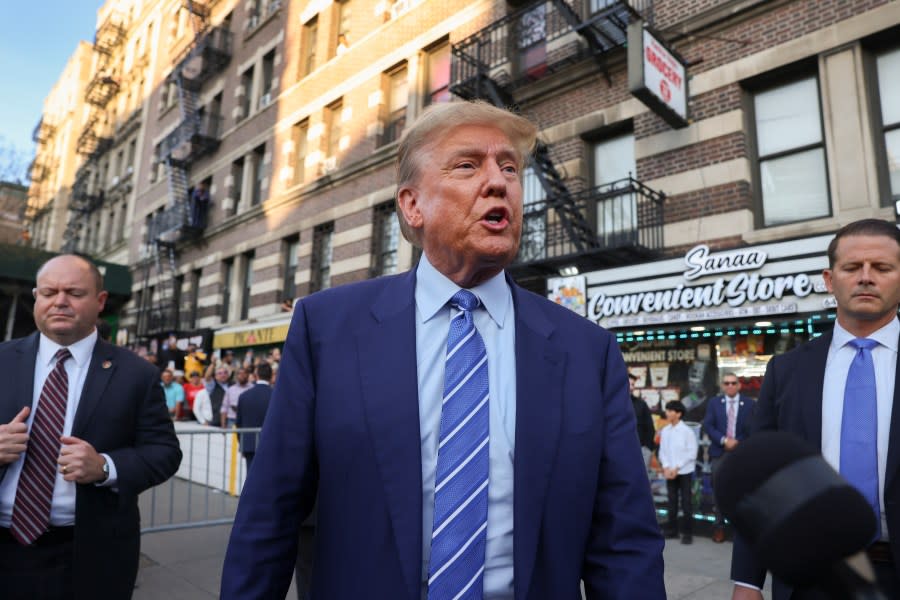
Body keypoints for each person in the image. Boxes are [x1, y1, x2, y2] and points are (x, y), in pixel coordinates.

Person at [220, 100, 664, 599]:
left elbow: (624, 543)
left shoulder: (588, 351)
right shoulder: (326, 329)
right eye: (468, 165)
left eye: (510, 168)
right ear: (412, 206)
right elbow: (269, 516)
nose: (498, 182)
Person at [731, 219, 900, 600]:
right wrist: (747, 579)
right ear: (829, 279)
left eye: (883, 268)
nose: (866, 278)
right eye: (852, 267)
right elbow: (762, 478)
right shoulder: (787, 369)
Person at [0, 254, 182, 599]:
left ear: (100, 302)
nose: (60, 302)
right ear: (36, 297)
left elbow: (165, 453)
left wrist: (105, 467)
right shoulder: (2, 360)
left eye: (74, 292)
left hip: (90, 556)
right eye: (49, 292)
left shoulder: (136, 375)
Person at [703, 372, 755, 543]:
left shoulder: (749, 404)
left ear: (739, 385)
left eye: (734, 383)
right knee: (719, 491)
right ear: (723, 385)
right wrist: (724, 440)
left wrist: (737, 442)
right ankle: (719, 527)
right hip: (720, 452)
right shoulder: (714, 403)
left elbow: (752, 427)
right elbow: (708, 425)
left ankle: (741, 529)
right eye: (727, 383)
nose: (730, 386)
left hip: (741, 452)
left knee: (742, 490)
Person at [659, 400, 698, 545]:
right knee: (672, 502)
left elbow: (692, 453)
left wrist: (677, 468)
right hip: (670, 472)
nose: (667, 413)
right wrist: (667, 467)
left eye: (670, 411)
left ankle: (687, 533)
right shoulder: (665, 430)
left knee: (686, 503)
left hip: (684, 472)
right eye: (667, 410)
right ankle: (672, 531)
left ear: (679, 414)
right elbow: (662, 451)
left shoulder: (687, 431)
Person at [235, 362, 272, 470]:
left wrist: (242, 443)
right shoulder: (275, 396)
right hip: (270, 445)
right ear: (270, 376)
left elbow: (239, 423)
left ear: (256, 375)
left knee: (251, 478)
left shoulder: (244, 396)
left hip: (249, 444)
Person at [629, 372, 656, 475]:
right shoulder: (612, 404)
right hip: (619, 451)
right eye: (629, 384)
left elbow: (650, 427)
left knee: (642, 482)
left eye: (633, 384)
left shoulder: (641, 404)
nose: (632, 387)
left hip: (641, 450)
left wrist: (647, 448)